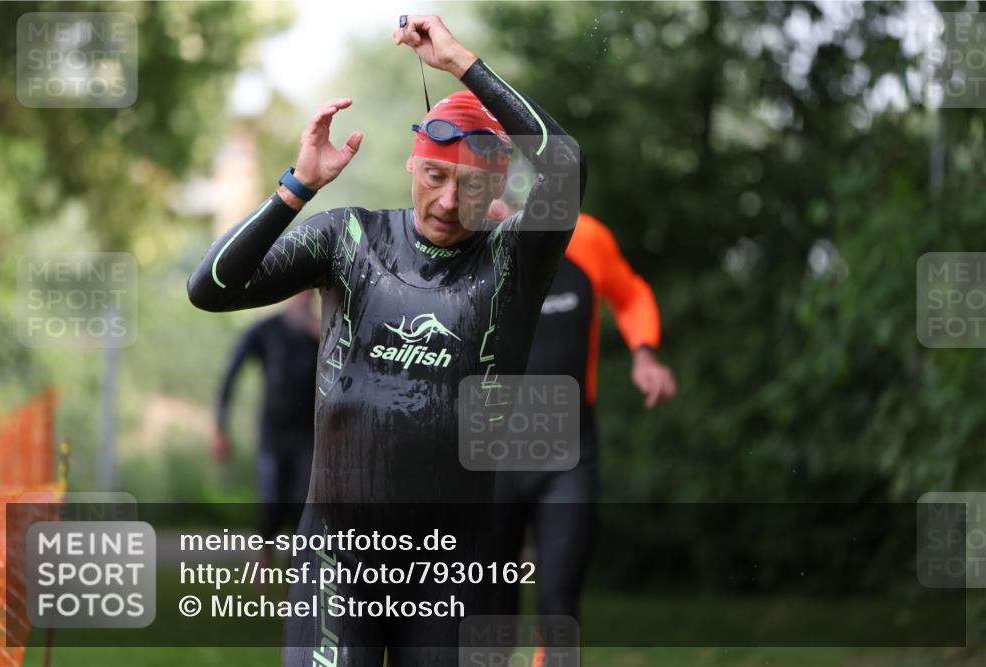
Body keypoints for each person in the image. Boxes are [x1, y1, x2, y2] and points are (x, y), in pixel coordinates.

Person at [186, 15, 585, 667]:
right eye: (435, 176)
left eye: (471, 185)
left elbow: (566, 164)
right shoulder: (351, 239)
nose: (449, 201)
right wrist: (297, 188)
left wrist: (461, 63)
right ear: (413, 160)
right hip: (336, 561)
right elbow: (211, 286)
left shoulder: (513, 262)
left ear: (498, 191)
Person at [488, 202, 676, 633]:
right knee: (490, 610)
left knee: (560, 601)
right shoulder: (476, 242)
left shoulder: (586, 238)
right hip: (489, 456)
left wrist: (644, 352)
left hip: (567, 453)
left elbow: (630, 294)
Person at [213, 290, 320, 551]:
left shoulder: (322, 335)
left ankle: (293, 581)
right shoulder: (266, 331)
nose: (304, 297)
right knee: (271, 504)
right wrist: (220, 427)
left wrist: (330, 337)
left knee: (301, 505)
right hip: (272, 433)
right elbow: (231, 373)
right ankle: (264, 560)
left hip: (308, 435)